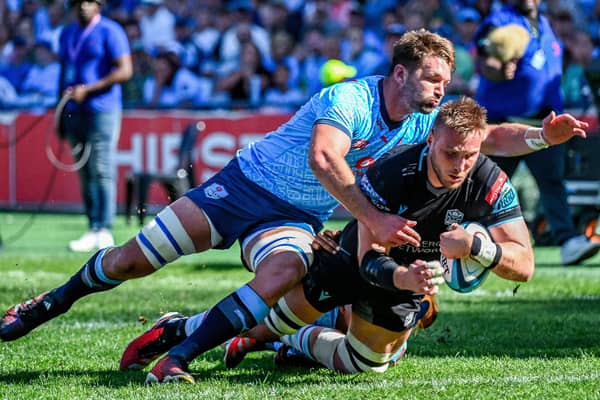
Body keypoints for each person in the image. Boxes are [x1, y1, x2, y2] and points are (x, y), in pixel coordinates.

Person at [0, 30, 586, 383]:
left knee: (284, 272)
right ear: (401, 73)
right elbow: (324, 161)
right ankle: (42, 307)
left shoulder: (426, 117)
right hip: (244, 188)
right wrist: (372, 217)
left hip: (294, 219)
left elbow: (488, 136)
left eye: (444, 81)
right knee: (132, 261)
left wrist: (542, 137)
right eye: (432, 80)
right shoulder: (349, 97)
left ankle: (178, 354)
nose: (440, 91)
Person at [213, 97, 534, 376]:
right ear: (431, 138)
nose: (460, 165)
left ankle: (290, 340)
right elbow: (366, 252)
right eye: (451, 153)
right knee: (302, 306)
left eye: (470, 155)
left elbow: (524, 265)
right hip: (361, 265)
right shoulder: (393, 171)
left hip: (406, 283)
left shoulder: (491, 182)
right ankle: (195, 331)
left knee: (375, 359)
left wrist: (477, 247)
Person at [473, 0, 600, 265]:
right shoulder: (501, 19)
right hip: (505, 123)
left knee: (552, 181)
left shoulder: (544, 23)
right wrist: (497, 70)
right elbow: (486, 56)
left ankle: (567, 242)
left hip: (543, 123)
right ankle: (464, 233)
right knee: (488, 183)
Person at [57, 0, 132, 252]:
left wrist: (88, 90)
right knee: (84, 171)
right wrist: (59, 112)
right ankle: (92, 226)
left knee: (102, 167)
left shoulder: (111, 31)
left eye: (88, 1)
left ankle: (105, 227)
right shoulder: (68, 33)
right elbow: (64, 71)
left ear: (99, 5)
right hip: (73, 110)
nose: (82, 6)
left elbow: (125, 70)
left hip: (102, 108)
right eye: (78, 1)